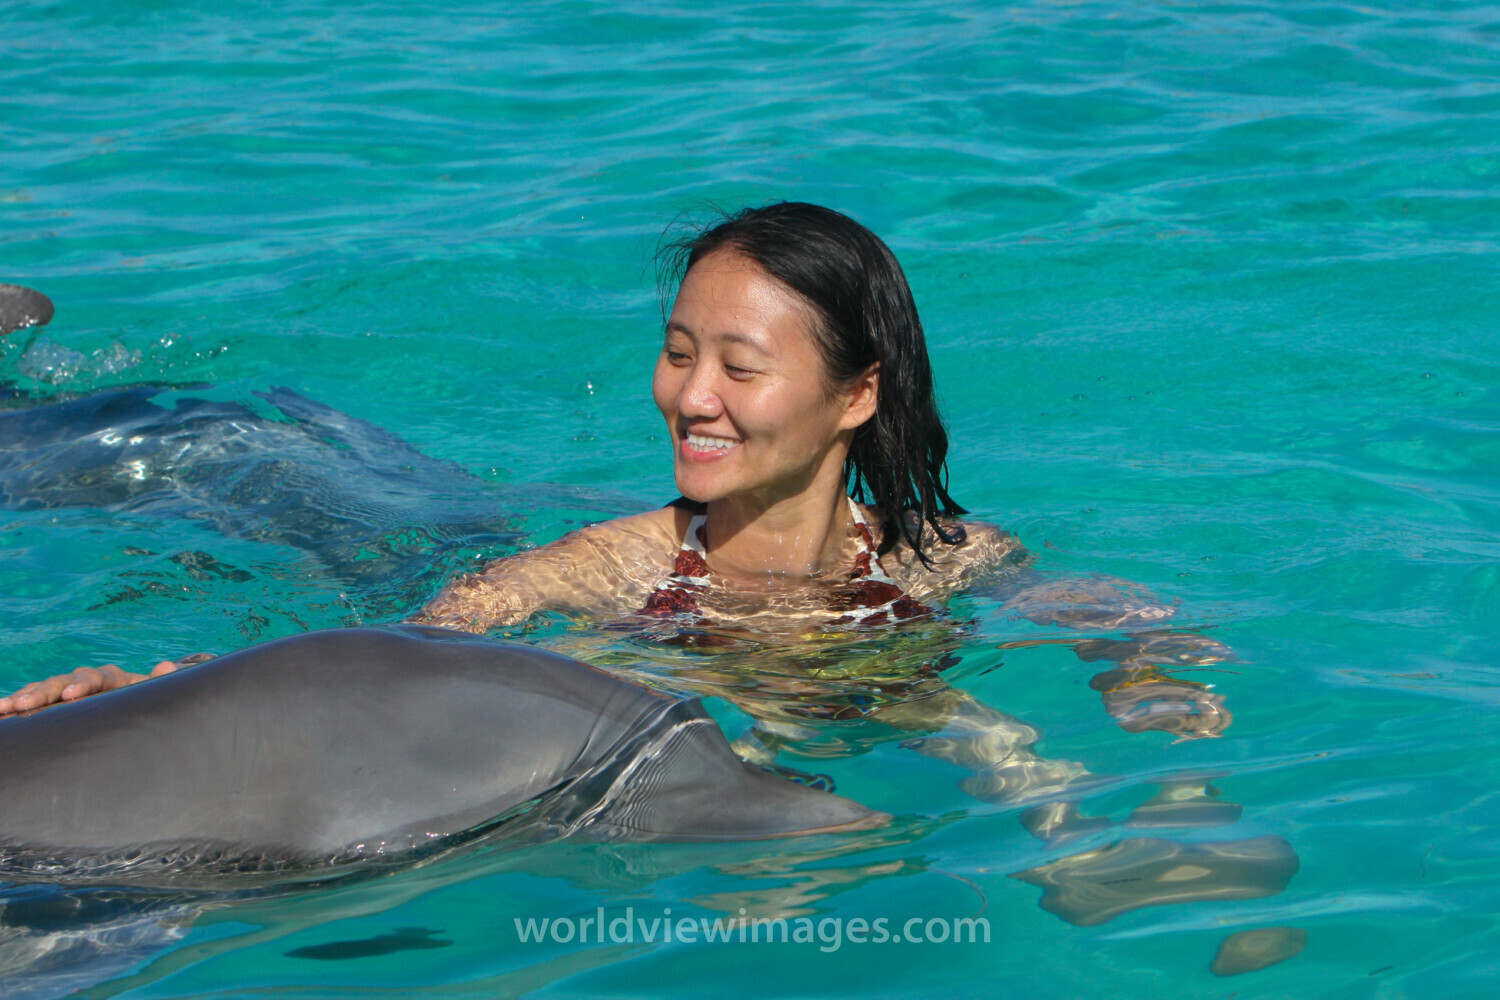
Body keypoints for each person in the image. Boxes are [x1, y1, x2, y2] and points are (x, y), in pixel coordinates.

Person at [0, 204, 1230, 830]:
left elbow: (1112, 611)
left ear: (857, 394)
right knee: (232, 459)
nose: (692, 396)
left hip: (519, 536)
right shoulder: (596, 575)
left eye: (739, 367)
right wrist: (157, 695)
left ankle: (1101, 847)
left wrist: (1152, 680)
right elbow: (398, 661)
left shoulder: (937, 555)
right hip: (403, 535)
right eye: (679, 353)